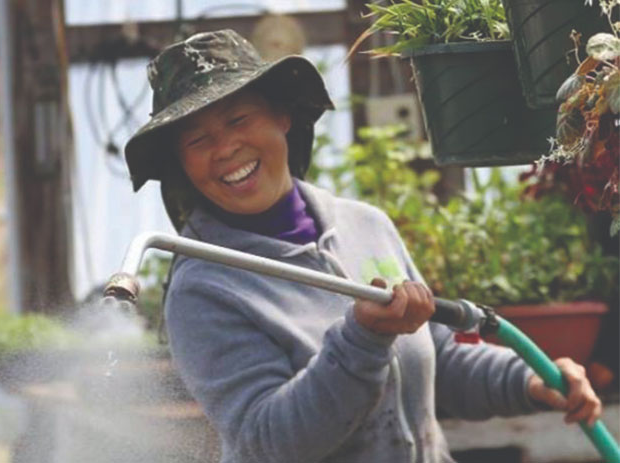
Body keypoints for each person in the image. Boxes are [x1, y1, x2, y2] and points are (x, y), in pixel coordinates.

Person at [123, 29, 602, 463]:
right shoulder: (204, 287)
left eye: (238, 118)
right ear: (181, 165)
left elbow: (438, 354)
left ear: (282, 116)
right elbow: (269, 441)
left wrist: (531, 382)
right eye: (198, 139)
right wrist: (362, 339)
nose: (224, 148)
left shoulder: (364, 226)